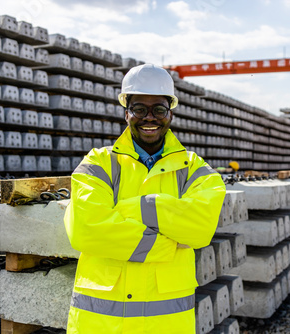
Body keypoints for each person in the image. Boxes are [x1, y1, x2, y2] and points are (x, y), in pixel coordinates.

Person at [64, 64, 226, 333]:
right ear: (126, 112)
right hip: (102, 323)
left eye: (158, 110)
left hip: (167, 323)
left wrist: (135, 209)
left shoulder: (193, 168)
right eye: (139, 108)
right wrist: (164, 245)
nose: (149, 117)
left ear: (170, 114)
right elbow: (86, 229)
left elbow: (202, 227)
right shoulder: (98, 164)